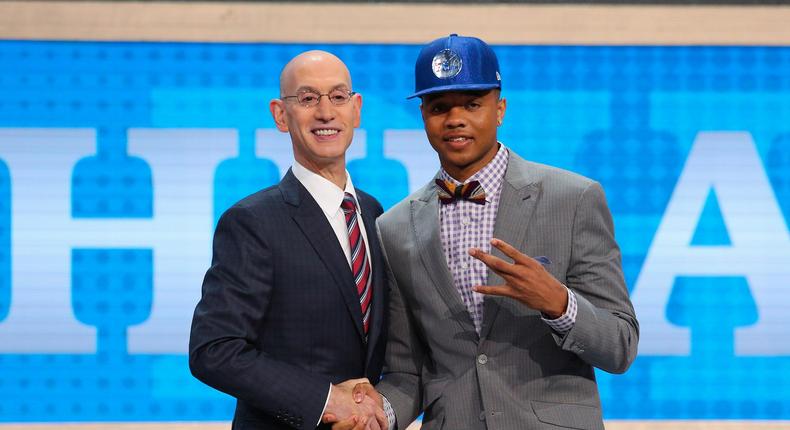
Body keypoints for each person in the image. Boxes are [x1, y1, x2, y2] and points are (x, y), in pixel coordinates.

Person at [347, 34, 639, 430]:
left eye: (472, 104)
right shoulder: (394, 228)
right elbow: (408, 372)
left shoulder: (573, 198)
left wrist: (558, 303)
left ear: (499, 109)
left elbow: (620, 345)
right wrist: (376, 414)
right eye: (439, 107)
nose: (455, 119)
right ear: (424, 117)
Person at [189, 50, 388, 430]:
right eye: (309, 98)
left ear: (356, 109)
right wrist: (326, 401)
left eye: (338, 96)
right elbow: (213, 350)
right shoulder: (252, 222)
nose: (326, 112)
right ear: (281, 115)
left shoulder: (374, 212)